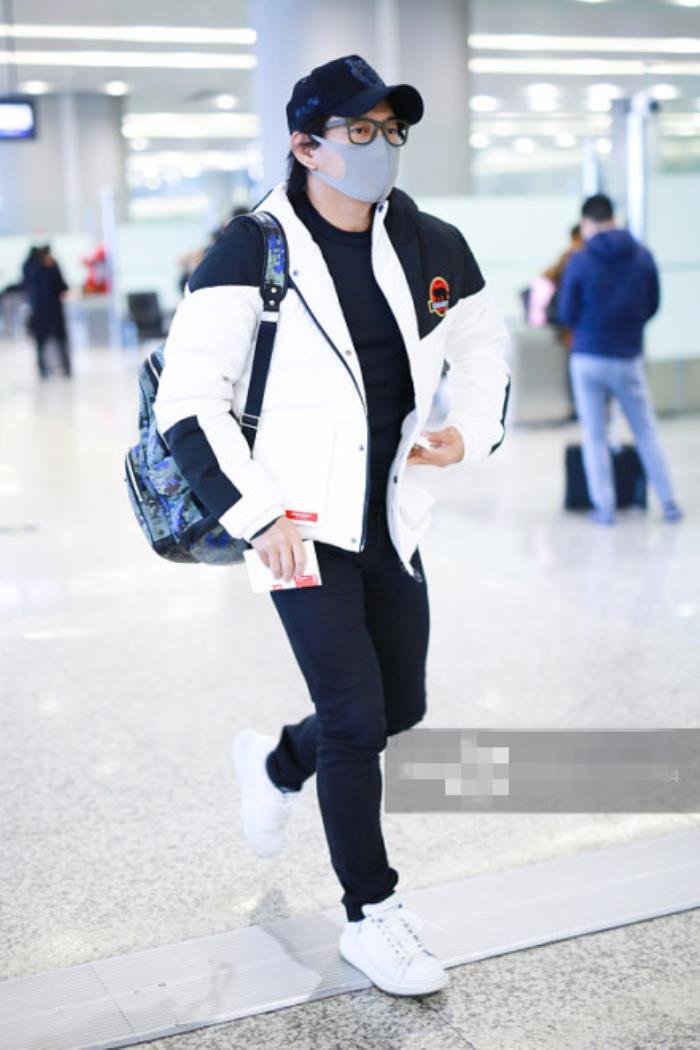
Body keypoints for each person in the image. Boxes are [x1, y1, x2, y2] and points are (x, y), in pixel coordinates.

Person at [153, 54, 510, 997]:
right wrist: (255, 512)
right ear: (306, 146)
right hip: (297, 524)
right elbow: (188, 402)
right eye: (359, 131)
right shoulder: (249, 252)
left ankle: (275, 762)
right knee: (355, 720)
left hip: (389, 514)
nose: (381, 146)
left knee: (398, 709)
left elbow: (482, 346)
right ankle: (372, 915)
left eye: (391, 130)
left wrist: (468, 430)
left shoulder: (430, 242)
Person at [557, 194, 682, 525]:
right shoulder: (642, 255)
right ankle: (669, 503)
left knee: (595, 435)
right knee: (646, 431)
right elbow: (652, 304)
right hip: (628, 356)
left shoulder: (580, 260)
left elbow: (566, 312)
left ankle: (605, 508)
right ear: (614, 218)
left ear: (587, 222)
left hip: (587, 357)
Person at [23, 245, 72, 378]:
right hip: (52, 310)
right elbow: (62, 286)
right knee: (59, 341)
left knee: (41, 343)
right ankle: (66, 368)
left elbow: (25, 285)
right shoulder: (51, 266)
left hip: (38, 310)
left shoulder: (29, 267)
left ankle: (43, 370)